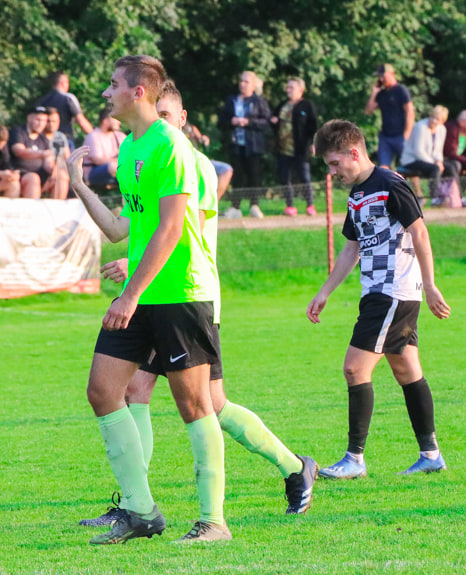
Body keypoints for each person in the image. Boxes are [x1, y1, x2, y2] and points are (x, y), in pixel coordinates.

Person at [79, 80, 318, 527]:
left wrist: (133, 277)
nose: (160, 126)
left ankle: (287, 469)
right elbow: (133, 228)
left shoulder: (193, 163)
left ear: (181, 119)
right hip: (152, 293)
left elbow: (186, 237)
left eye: (168, 117)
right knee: (135, 391)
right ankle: (136, 504)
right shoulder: (143, 151)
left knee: (209, 403)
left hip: (188, 296)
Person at [66, 54, 227, 543]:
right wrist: (78, 186)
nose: (105, 92)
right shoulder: (132, 149)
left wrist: (129, 295)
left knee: (195, 404)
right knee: (103, 390)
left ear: (139, 93)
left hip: (179, 293)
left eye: (113, 84)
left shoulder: (170, 145)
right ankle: (141, 512)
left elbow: (173, 228)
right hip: (143, 294)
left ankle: (213, 521)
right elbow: (122, 229)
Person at [308, 119, 451, 478]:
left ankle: (354, 460)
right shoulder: (357, 194)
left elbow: (419, 232)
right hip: (377, 292)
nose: (333, 172)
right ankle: (431, 454)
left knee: (354, 368)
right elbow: (352, 248)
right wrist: (325, 291)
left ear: (354, 152)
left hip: (393, 291)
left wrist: (430, 285)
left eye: (335, 163)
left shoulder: (390, 184)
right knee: (405, 369)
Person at [218, 71, 271, 219]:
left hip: (253, 145)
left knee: (254, 175)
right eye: (241, 81)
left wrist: (248, 122)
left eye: (246, 82)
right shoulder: (232, 100)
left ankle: (254, 205)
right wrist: (231, 121)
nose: (242, 84)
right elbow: (222, 120)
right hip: (236, 144)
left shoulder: (259, 101)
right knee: (237, 176)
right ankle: (236, 207)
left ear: (253, 85)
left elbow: (266, 122)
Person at [271, 77, 318, 216]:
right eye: (287, 87)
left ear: (300, 90)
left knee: (304, 177)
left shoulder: (306, 105)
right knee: (285, 177)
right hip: (283, 149)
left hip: (300, 148)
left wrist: (314, 143)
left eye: (291, 87)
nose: (288, 90)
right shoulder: (282, 105)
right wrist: (273, 122)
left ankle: (310, 205)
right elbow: (273, 120)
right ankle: (290, 206)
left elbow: (313, 126)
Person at [364, 64, 414, 170]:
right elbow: (368, 110)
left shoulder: (401, 90)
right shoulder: (382, 94)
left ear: (391, 74)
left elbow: (410, 113)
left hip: (401, 135)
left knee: (409, 166)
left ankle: (417, 187)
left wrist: (407, 134)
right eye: (379, 77)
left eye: (383, 76)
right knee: (383, 167)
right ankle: (385, 187)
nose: (381, 79)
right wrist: (374, 92)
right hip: (385, 137)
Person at [399, 105, 453, 200]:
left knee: (452, 167)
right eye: (432, 117)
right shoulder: (420, 127)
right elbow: (418, 151)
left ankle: (450, 195)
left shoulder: (442, 129)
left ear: (442, 121)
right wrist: (435, 163)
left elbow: (438, 150)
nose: (433, 120)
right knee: (435, 169)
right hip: (412, 160)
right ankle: (435, 198)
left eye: (437, 119)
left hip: (429, 160)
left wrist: (439, 161)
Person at [10, 106, 57, 198]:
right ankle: (32, 211)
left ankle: (58, 209)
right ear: (29, 118)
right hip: (20, 174)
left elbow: (48, 162)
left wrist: (53, 169)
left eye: (44, 121)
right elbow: (19, 151)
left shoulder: (44, 138)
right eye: (38, 120)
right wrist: (42, 154)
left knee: (61, 177)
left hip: (42, 176)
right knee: (33, 178)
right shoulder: (18, 132)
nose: (41, 124)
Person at [36, 71, 93, 141]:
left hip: (45, 139)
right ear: (63, 83)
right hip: (65, 138)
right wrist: (93, 135)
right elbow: (81, 120)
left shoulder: (43, 100)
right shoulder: (68, 98)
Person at [82, 107, 125, 187]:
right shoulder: (94, 136)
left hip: (115, 169)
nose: (119, 122)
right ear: (105, 121)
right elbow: (97, 160)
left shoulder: (119, 135)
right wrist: (120, 160)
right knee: (114, 166)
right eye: (116, 119)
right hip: (93, 172)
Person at [43, 107, 71, 199]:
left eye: (54, 121)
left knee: (63, 176)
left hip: (60, 173)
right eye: (48, 121)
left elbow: (68, 158)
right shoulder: (39, 137)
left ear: (58, 122)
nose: (51, 124)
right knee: (61, 176)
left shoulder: (60, 136)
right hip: (43, 174)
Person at [0, 125, 30, 198]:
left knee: (13, 184)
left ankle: (9, 209)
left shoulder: (3, 150)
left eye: (2, 145)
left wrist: (12, 174)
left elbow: (7, 165)